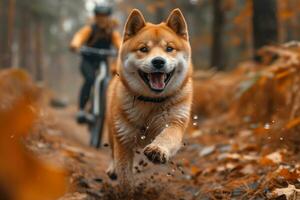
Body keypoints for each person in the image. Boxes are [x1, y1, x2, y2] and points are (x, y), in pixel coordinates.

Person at [70, 4, 121, 123]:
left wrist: (122, 49)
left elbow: (119, 42)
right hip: (87, 61)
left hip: (102, 62)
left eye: (104, 16)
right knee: (90, 79)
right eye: (99, 16)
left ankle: (103, 108)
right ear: (95, 17)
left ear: (108, 17)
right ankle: (82, 110)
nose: (102, 19)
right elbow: (79, 36)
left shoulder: (111, 32)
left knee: (108, 81)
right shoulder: (90, 29)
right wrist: (75, 44)